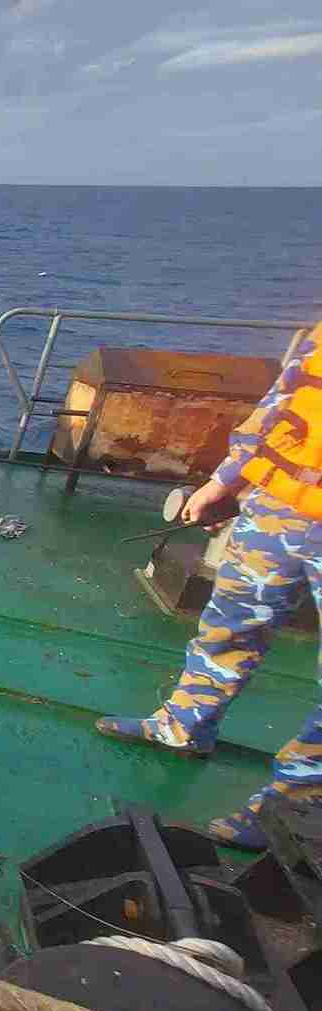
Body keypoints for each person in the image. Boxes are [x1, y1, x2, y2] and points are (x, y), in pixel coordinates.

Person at [97, 320, 322, 850]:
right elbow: (284, 400)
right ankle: (185, 722)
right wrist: (227, 479)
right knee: (231, 622)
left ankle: (298, 806)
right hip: (282, 504)